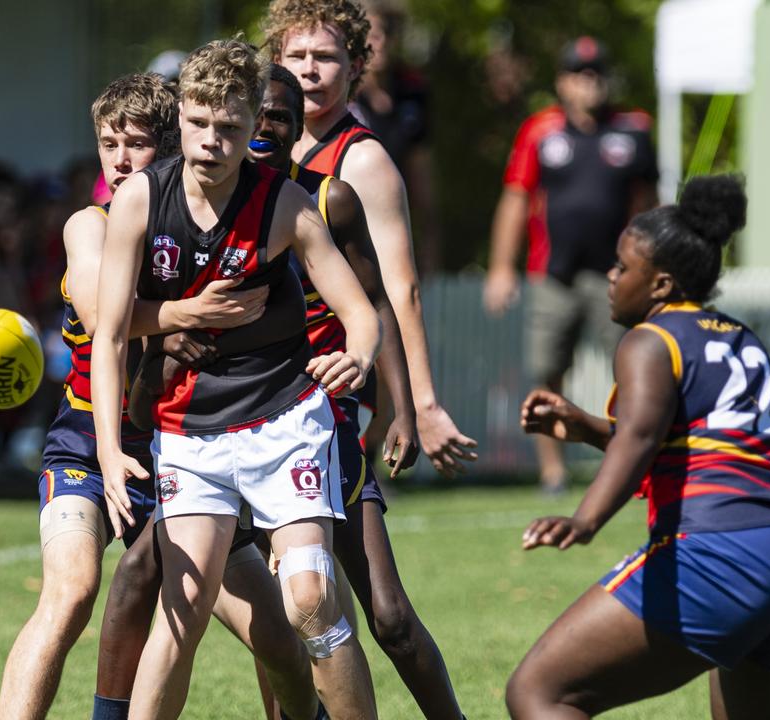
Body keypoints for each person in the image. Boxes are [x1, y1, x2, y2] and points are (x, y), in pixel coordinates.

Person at [0, 72, 321, 720]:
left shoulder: (200, 218)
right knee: (71, 592)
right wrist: (190, 311)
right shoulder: (90, 226)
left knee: (278, 637)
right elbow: (100, 316)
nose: (119, 159)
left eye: (137, 143)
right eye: (108, 143)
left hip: (187, 445)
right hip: (90, 440)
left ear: (171, 144)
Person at [93, 39, 382, 719]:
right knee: (183, 608)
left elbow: (359, 312)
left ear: (254, 126)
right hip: (189, 432)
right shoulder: (140, 199)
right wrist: (109, 449)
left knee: (309, 595)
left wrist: (360, 356)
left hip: (283, 421)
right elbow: (109, 334)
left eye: (228, 126)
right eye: (198, 122)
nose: (211, 141)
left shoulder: (283, 203)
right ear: (182, 118)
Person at [508, 176, 770, 718]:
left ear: (661, 285)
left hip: (724, 549)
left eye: (624, 267)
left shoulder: (651, 339)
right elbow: (709, 439)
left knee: (538, 693)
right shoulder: (742, 338)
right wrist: (588, 428)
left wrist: (585, 520)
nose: (611, 275)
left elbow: (643, 436)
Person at [247, 62, 465, 720]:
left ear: (297, 130)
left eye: (279, 117)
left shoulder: (328, 198)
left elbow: (373, 305)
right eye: (254, 113)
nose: (264, 126)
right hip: (241, 424)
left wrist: (400, 407)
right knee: (283, 619)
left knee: (390, 617)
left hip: (325, 420)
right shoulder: (206, 207)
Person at [265, 0, 478, 478]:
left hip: (327, 378)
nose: (309, 69)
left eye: (326, 56)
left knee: (338, 536)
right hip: (261, 371)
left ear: (356, 65)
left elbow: (400, 290)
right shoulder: (259, 142)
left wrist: (420, 404)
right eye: (296, 55)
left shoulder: (362, 160)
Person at [484, 36, 659, 494]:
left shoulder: (634, 129)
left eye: (597, 74)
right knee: (547, 369)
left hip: (616, 279)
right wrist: (502, 267)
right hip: (553, 275)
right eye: (580, 75)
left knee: (633, 365)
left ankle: (631, 457)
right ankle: (553, 469)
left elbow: (647, 205)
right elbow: (516, 200)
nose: (590, 83)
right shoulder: (540, 131)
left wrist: (653, 267)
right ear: (563, 82)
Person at [350, 0, 441, 274]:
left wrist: (429, 240)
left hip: (393, 226)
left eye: (389, 33)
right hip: (346, 228)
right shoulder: (341, 93)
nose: (382, 42)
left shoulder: (412, 92)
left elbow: (420, 171)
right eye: (373, 34)